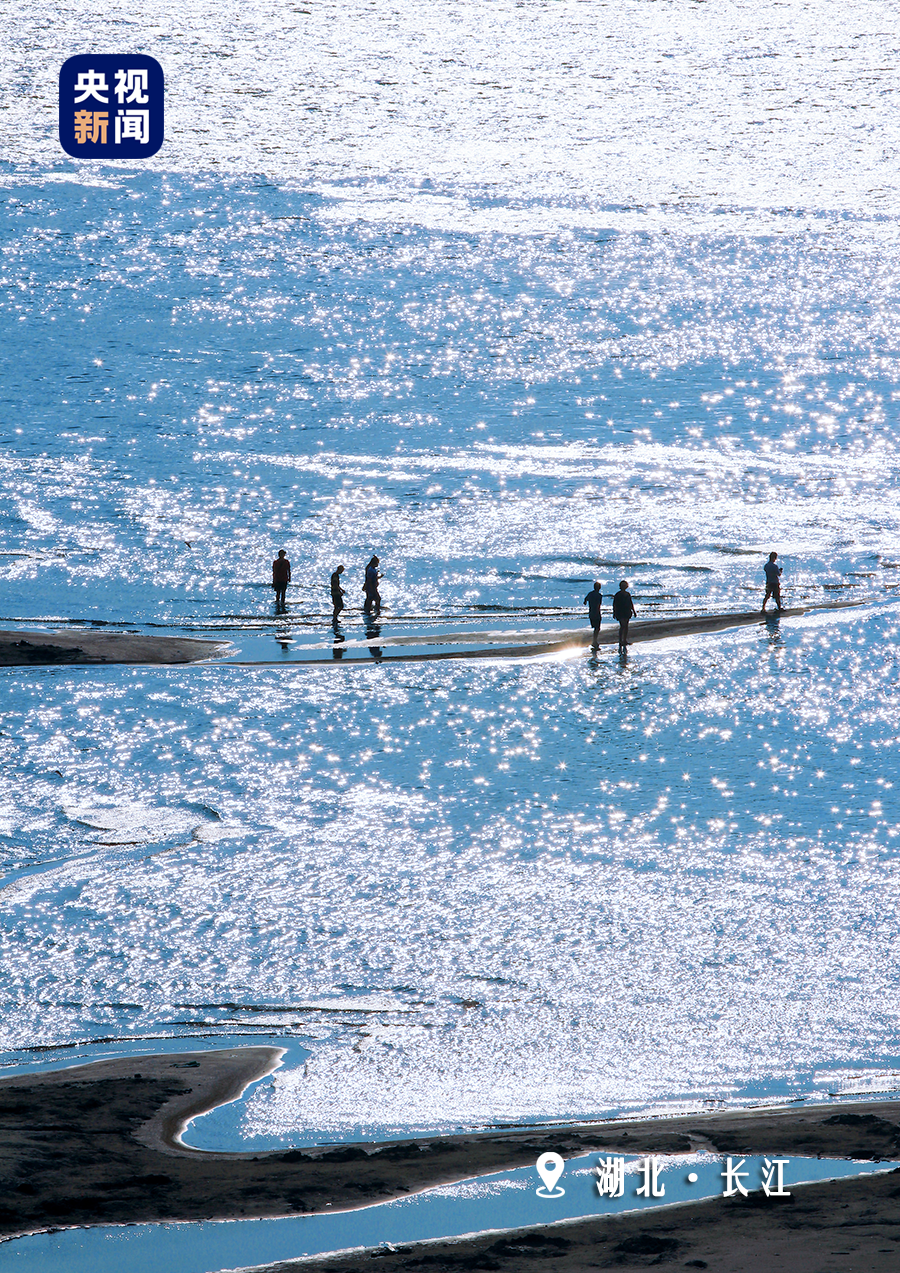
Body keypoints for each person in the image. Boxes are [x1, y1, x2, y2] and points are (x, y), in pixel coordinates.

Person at [612, 580, 636, 652]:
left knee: (626, 626)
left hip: (626, 611)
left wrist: (634, 611)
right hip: (620, 612)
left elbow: (630, 603)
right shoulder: (618, 594)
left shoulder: (627, 594)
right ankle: (620, 640)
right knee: (623, 625)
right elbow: (614, 604)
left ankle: (624, 640)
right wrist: (614, 612)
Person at [584, 581, 603, 647]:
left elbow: (585, 599)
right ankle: (594, 641)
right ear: (599, 588)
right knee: (597, 628)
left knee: (595, 627)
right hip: (596, 612)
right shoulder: (599, 595)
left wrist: (586, 602)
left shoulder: (590, 594)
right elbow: (599, 604)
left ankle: (594, 640)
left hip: (591, 612)